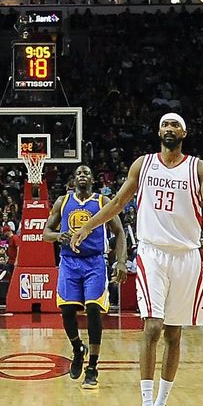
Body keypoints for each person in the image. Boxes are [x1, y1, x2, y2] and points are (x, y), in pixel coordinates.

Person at [70, 113, 203, 406]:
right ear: (159, 132)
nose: (169, 129)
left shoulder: (197, 167)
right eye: (165, 125)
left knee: (174, 335)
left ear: (184, 132)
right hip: (152, 253)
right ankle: (144, 405)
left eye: (175, 125)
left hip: (186, 255)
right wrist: (88, 226)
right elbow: (118, 202)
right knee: (153, 326)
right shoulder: (142, 165)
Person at [43, 164, 127, 390]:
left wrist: (121, 261)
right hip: (69, 262)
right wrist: (59, 235)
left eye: (87, 173)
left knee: (92, 309)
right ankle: (78, 348)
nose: (82, 175)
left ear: (92, 180)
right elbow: (45, 234)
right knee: (67, 310)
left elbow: (120, 232)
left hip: (95, 262)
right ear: (73, 179)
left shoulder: (102, 202)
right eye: (79, 173)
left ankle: (93, 367)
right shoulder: (63, 201)